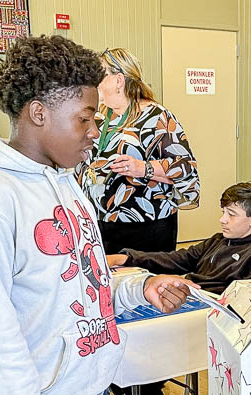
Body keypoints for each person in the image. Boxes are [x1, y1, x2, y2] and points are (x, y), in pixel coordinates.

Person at [0, 35, 193, 395]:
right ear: (38, 112)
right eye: (84, 118)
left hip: (88, 393)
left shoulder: (70, 184)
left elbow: (87, 278)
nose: (94, 132)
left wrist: (139, 288)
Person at [107, 182, 251, 395]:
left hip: (210, 326)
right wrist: (127, 258)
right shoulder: (217, 241)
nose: (223, 219)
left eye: (232, 214)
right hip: (186, 313)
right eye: (223, 211)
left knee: (132, 347)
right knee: (114, 336)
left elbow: (243, 308)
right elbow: (177, 259)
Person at [78, 46, 199, 254]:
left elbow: (185, 168)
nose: (94, 82)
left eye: (100, 75)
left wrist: (143, 168)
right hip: (100, 222)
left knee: (146, 282)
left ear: (118, 80)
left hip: (146, 224)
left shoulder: (157, 116)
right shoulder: (99, 116)